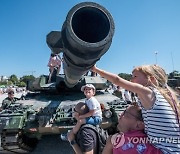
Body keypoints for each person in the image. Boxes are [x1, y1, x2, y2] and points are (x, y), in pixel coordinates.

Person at [92, 64, 180, 153]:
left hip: (164, 151)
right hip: (169, 149)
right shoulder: (162, 97)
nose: (131, 79)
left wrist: (95, 69)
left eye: (135, 76)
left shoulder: (148, 92)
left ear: (151, 79)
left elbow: (117, 80)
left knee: (115, 141)